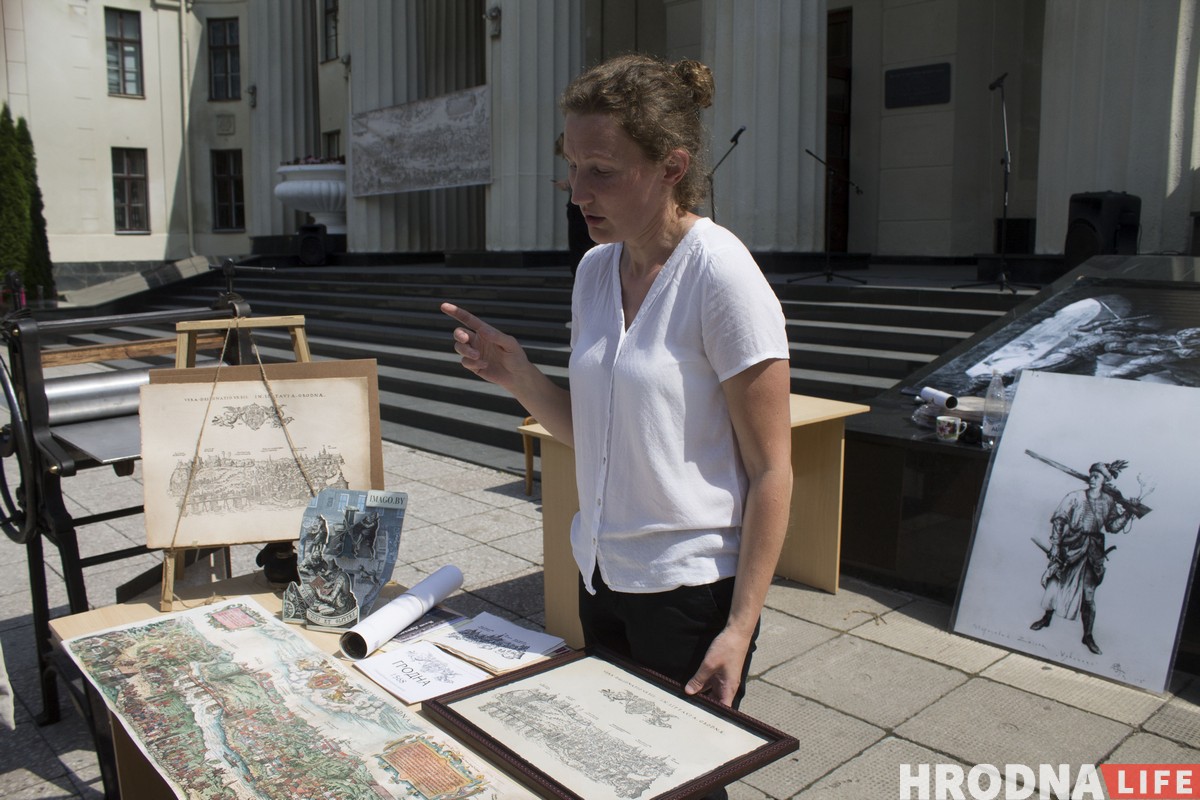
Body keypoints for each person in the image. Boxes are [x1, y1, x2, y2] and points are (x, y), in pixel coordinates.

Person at [442, 54, 792, 711]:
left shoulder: (721, 274)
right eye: (572, 166)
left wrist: (739, 629)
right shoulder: (595, 272)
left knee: (687, 776)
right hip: (601, 576)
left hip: (691, 594)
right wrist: (515, 371)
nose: (578, 192)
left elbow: (773, 470)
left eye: (601, 171)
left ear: (672, 168)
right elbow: (595, 434)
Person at [1029, 460, 1139, 655]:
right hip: (1070, 547)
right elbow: (1059, 520)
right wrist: (1055, 545)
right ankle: (1046, 618)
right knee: (1057, 585)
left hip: (1093, 551)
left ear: (1105, 480)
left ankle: (1087, 635)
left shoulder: (1108, 501)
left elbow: (1112, 526)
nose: (1093, 478)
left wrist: (1129, 512)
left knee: (1088, 596)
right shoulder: (1075, 497)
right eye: (1093, 475)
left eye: (1098, 476)